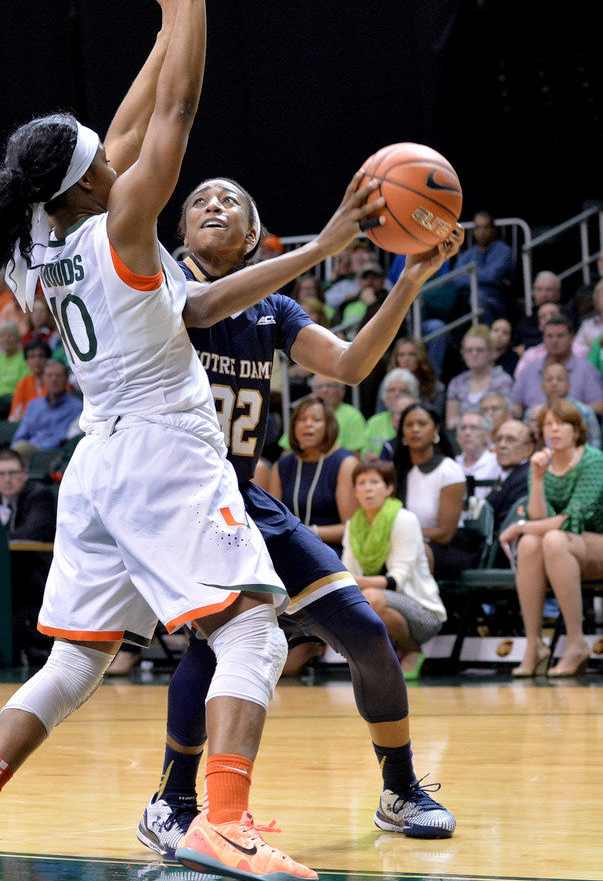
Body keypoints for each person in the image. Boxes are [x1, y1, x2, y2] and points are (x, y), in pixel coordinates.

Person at [0, 0, 318, 881]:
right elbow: (170, 115)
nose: (114, 154)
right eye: (102, 159)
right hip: (165, 447)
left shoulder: (32, 239)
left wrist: (168, 23)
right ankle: (223, 822)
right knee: (252, 627)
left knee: (75, 661)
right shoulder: (122, 233)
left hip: (96, 462)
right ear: (95, 181)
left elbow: (124, 126)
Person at [135, 174, 461, 860]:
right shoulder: (161, 284)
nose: (213, 205)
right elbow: (200, 309)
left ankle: (400, 790)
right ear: (180, 231)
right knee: (214, 645)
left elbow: (350, 365)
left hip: (245, 496)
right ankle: (171, 800)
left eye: (230, 201)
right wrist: (325, 245)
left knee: (367, 633)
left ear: (254, 234)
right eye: (199, 201)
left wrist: (408, 280)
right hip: (182, 500)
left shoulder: (273, 309)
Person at [500, 400, 603, 677]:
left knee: (553, 539)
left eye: (562, 424)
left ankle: (576, 643)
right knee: (530, 543)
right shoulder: (541, 462)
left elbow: (571, 520)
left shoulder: (593, 461)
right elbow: (538, 517)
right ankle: (534, 644)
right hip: (564, 546)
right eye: (549, 424)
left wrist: (520, 526)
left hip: (596, 540)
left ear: (576, 430)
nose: (555, 430)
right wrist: (537, 478)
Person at [341, 460, 446, 679]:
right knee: (351, 599)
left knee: (369, 598)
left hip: (421, 611)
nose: (368, 489)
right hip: (373, 600)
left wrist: (353, 582)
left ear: (389, 488)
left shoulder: (404, 519)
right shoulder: (353, 526)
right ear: (355, 491)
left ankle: (411, 650)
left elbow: (396, 581)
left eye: (374, 482)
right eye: (361, 483)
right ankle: (380, 657)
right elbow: (346, 570)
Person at [0, 448, 56, 664]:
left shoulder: (40, 495)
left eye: (13, 473)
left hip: (38, 565)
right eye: (1, 474)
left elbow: (32, 533)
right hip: (5, 567)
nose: (7, 480)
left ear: (25, 474)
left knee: (20, 575)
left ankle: (35, 646)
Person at [269, 397, 359, 554]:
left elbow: (351, 528)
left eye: (316, 420)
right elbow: (274, 521)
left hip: (331, 551)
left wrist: (308, 532)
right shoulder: (282, 465)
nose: (308, 424)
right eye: (302, 419)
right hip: (290, 548)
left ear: (329, 426)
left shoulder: (345, 463)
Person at [393, 403, 467, 579]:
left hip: (445, 550)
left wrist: (400, 533)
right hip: (405, 545)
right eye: (409, 425)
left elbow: (445, 534)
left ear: (436, 430)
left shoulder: (449, 470)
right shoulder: (398, 471)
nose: (415, 429)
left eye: (422, 424)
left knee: (416, 553)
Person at [510, 314, 603, 420]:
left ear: (572, 338)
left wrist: (565, 413)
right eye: (549, 336)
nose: (554, 341)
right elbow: (515, 404)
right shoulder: (529, 370)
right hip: (533, 425)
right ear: (543, 339)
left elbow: (600, 405)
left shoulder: (587, 370)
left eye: (560, 336)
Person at [11, 358, 83, 461]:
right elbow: (20, 436)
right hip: (29, 451)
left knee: (20, 449)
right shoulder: (33, 406)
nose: (54, 379)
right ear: (43, 379)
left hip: (56, 455)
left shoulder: (77, 407)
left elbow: (69, 440)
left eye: (58, 376)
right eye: (49, 376)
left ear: (66, 378)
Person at [444, 325, 513, 430]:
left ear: (491, 352)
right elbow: (451, 422)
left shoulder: (503, 381)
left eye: (479, 350)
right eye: (469, 350)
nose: (474, 354)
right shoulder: (456, 383)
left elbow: (505, 417)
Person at [454, 211, 514, 325]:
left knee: (478, 298)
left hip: (498, 300)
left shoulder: (503, 251)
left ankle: (486, 333)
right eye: (478, 228)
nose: (481, 232)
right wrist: (480, 278)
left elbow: (491, 276)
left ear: (493, 230)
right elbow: (456, 278)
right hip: (469, 299)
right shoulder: (468, 254)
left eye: (485, 228)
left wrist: (468, 274)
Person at [524, 361, 601, 450]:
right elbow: (525, 444)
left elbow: (595, 445)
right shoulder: (532, 412)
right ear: (542, 387)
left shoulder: (585, 412)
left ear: (569, 385)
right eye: (549, 379)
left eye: (560, 379)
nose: (554, 383)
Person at [486, 419, 534, 535]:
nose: (502, 445)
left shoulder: (526, 478)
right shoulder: (507, 474)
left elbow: (505, 525)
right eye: (499, 439)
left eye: (511, 440)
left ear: (528, 449)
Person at [362, 368, 420, 458]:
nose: (396, 394)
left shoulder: (418, 421)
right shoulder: (374, 422)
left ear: (412, 395)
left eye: (403, 391)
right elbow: (365, 455)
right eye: (392, 390)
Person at [387, 336, 445, 418]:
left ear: (420, 356)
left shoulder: (435, 387)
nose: (406, 359)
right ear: (396, 359)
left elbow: (436, 418)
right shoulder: (388, 384)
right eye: (401, 355)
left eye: (412, 354)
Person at [454, 410, 501, 500]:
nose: (467, 433)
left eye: (473, 428)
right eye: (463, 428)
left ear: (487, 435)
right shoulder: (453, 464)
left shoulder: (497, 463)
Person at [0, 321, 29, 411]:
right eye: (2, 336)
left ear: (18, 338)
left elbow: (25, 386)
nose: (6, 339)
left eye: (10, 335)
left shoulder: (25, 359)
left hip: (16, 402)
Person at [513, 271, 562, 351]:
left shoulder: (568, 317)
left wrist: (527, 347)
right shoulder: (526, 323)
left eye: (548, 290)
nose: (543, 295)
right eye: (539, 290)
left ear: (558, 293)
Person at [512, 301, 561, 378]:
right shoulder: (529, 355)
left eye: (553, 314)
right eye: (543, 316)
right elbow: (520, 379)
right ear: (540, 326)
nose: (549, 318)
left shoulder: (578, 351)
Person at [8, 340, 50, 421]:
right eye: (32, 357)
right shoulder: (23, 383)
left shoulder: (56, 379)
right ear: (26, 361)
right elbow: (14, 415)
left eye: (41, 356)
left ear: (48, 359)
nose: (36, 360)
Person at [572, 278, 603, 357]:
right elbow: (575, 351)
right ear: (597, 300)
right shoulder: (587, 325)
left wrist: (591, 343)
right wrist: (595, 343)